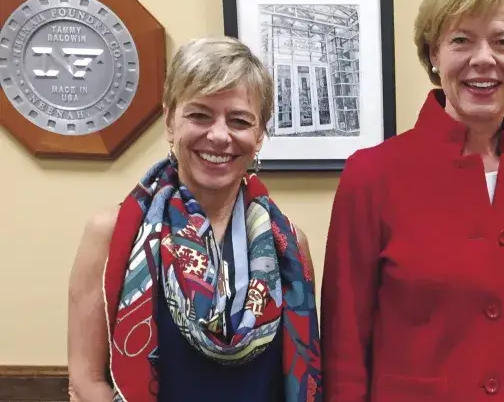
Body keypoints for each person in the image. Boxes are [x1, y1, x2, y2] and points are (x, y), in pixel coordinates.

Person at [321, 0, 504, 402]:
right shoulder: (371, 176)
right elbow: (345, 348)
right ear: (433, 53)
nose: (484, 60)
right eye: (462, 40)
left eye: (503, 42)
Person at [66, 37, 323, 402]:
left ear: (260, 135)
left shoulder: (290, 246)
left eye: (239, 120)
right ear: (170, 121)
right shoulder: (110, 234)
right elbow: (86, 381)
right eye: (199, 115)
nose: (219, 135)